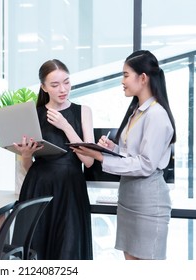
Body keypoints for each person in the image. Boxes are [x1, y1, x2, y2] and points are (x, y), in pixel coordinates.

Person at [72, 50, 176, 260]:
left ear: (143, 78)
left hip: (148, 203)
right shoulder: (137, 111)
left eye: (126, 75)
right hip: (129, 199)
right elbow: (132, 154)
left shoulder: (157, 114)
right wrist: (112, 149)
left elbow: (146, 164)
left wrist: (102, 158)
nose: (122, 81)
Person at [14, 59, 95, 260]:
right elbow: (27, 166)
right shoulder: (33, 114)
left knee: (68, 250)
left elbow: (89, 161)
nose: (63, 89)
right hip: (38, 187)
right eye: (55, 85)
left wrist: (66, 126)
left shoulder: (83, 111)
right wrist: (25, 155)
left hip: (70, 189)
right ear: (43, 87)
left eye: (66, 82)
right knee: (35, 249)